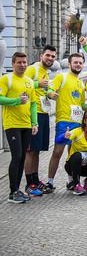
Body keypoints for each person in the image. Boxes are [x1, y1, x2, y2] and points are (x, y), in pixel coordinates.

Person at [0, 52, 39, 203]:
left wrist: (34, 122)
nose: (22, 65)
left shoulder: (29, 81)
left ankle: (17, 190)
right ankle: (12, 192)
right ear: (13, 63)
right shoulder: (6, 79)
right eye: (19, 62)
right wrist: (16, 101)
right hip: (12, 124)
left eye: (24, 62)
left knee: (22, 157)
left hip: (26, 124)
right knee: (16, 156)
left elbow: (33, 103)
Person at [46, 53, 87, 193]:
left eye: (80, 63)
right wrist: (51, 94)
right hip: (64, 121)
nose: (78, 65)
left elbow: (82, 104)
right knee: (58, 151)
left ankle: (72, 180)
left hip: (77, 122)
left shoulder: (81, 83)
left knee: (73, 154)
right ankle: (50, 182)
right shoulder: (61, 77)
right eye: (75, 62)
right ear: (69, 64)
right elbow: (50, 89)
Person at [24, 45, 57, 195]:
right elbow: (23, 85)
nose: (50, 58)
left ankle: (35, 180)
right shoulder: (33, 69)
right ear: (41, 56)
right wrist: (38, 84)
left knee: (37, 150)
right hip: (33, 113)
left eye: (52, 57)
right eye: (48, 55)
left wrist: (50, 93)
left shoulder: (46, 72)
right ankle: (29, 183)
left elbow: (46, 88)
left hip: (43, 112)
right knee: (30, 150)